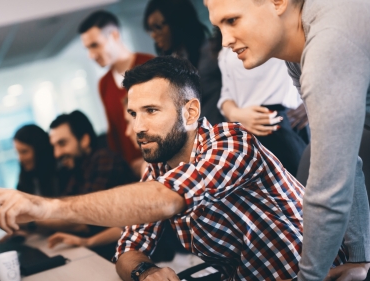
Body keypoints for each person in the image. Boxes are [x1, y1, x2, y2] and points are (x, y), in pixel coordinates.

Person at [0, 57, 348, 280]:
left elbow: (167, 200)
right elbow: (128, 250)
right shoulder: (155, 173)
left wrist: (47, 208)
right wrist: (146, 272)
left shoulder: (230, 141)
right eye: (133, 114)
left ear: (189, 112)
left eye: (151, 112)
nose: (138, 127)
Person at [205, 0, 370, 280]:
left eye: (232, 21)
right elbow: (344, 161)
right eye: (219, 26)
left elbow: (330, 186)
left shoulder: (327, 44)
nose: (225, 41)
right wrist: (359, 259)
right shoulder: (297, 55)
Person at [217, 29, 307, 175]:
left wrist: (311, 100)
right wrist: (236, 114)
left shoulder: (274, 31)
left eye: (231, 20)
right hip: (248, 129)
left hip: (287, 122)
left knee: (306, 186)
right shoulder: (226, 47)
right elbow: (226, 93)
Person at [49, 110, 137, 259]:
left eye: (62, 143)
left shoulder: (105, 160)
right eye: (54, 146)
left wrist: (28, 220)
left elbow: (84, 219)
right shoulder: (78, 168)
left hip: (124, 253)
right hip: (108, 250)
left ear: (84, 140)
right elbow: (64, 209)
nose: (56, 154)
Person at [79, 11, 154, 177]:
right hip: (131, 173)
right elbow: (114, 134)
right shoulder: (104, 84)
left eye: (95, 45)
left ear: (114, 35)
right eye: (87, 48)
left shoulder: (150, 65)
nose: (91, 55)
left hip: (160, 162)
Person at [143, 0, 224, 125]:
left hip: (217, 132)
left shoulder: (211, 53)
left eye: (158, 27)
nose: (154, 35)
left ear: (178, 22)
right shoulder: (171, 59)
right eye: (151, 30)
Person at [13, 124, 57, 196]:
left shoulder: (60, 174)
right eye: (18, 153)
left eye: (24, 151)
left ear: (40, 149)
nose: (20, 159)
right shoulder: (24, 178)